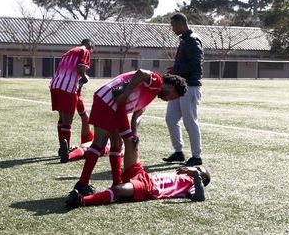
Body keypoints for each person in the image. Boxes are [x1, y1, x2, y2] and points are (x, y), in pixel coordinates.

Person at [73, 69, 188, 196]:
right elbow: (141, 73)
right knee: (99, 143)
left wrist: (134, 132)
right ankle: (82, 183)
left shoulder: (153, 91)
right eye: (172, 96)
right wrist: (125, 94)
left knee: (116, 143)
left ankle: (116, 182)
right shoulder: (158, 81)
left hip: (111, 103)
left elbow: (138, 112)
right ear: (171, 87)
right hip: (108, 100)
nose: (169, 100)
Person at [65, 135, 211, 208]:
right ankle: (129, 120)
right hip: (144, 177)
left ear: (202, 180)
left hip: (150, 188)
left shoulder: (193, 184)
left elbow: (200, 197)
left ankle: (82, 201)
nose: (194, 170)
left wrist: (195, 173)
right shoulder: (182, 174)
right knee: (131, 143)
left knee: (118, 189)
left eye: (199, 170)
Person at [163, 13, 205, 166]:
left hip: (191, 87)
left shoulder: (192, 40)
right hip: (180, 87)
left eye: (174, 25)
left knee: (190, 122)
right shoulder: (186, 39)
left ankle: (196, 156)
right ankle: (179, 152)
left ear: (181, 23)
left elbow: (197, 65)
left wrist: (176, 69)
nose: (173, 29)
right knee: (170, 119)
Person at [50, 39, 95, 157]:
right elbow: (80, 69)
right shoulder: (85, 51)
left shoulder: (68, 52)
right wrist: (85, 78)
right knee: (68, 121)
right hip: (67, 87)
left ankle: (62, 147)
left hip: (55, 84)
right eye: (92, 52)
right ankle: (66, 149)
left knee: (61, 118)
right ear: (90, 47)